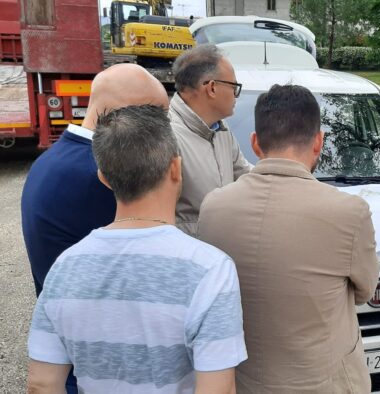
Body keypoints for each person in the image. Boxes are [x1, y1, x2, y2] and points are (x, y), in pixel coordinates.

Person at [26, 105, 247, 393]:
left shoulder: (65, 266)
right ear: (176, 168)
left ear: (103, 177)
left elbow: (41, 384)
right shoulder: (211, 269)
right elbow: (218, 389)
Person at [198, 84, 380, 393]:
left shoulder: (213, 206)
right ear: (318, 142)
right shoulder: (349, 212)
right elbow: (365, 290)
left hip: (242, 381)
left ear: (255, 144)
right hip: (322, 382)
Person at [20, 63, 169, 394]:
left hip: (68, 342)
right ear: (121, 117)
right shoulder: (101, 175)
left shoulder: (52, 159)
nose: (163, 130)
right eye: (157, 117)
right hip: (98, 367)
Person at [170, 44, 252, 236]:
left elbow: (245, 174)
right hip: (188, 256)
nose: (236, 95)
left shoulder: (221, 130)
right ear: (212, 88)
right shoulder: (167, 137)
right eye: (234, 87)